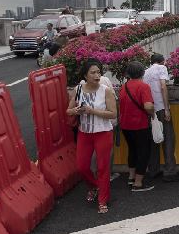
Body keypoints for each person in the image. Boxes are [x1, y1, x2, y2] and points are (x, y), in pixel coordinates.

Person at [66, 60, 117, 214]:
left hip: (103, 133)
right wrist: (76, 110)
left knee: (103, 167)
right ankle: (94, 186)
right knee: (81, 166)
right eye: (93, 72)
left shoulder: (106, 90)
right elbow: (68, 111)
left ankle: (102, 200)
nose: (97, 75)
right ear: (85, 76)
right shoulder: (78, 89)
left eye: (99, 72)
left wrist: (92, 110)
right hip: (84, 133)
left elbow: (113, 113)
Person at [119, 61, 155, 192]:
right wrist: (152, 113)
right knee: (143, 152)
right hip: (140, 125)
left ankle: (131, 177)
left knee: (132, 150)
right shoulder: (143, 86)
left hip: (125, 125)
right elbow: (148, 106)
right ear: (143, 72)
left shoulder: (124, 86)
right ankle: (138, 183)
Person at [144, 53, 179, 182]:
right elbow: (163, 86)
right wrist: (166, 109)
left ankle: (153, 170)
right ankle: (170, 171)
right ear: (162, 61)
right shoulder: (161, 68)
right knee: (169, 139)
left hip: (149, 109)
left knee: (154, 139)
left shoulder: (146, 72)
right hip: (160, 108)